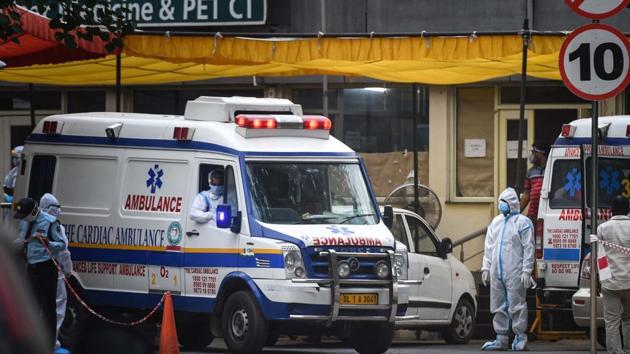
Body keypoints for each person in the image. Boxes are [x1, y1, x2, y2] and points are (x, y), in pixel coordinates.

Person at [481, 187, 535, 351]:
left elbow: (529, 247)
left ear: (511, 203)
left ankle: (520, 336)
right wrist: (486, 267)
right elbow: (489, 247)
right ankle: (501, 338)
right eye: (500, 202)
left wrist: (527, 270)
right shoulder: (495, 222)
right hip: (497, 271)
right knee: (497, 304)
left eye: (504, 202)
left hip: (515, 271)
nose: (501, 205)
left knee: (516, 304)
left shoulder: (522, 222)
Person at [13, 197, 67, 350]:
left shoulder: (50, 222)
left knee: (48, 307)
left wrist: (49, 243)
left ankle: (48, 345)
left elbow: (62, 245)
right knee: (30, 306)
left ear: (34, 211)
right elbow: (21, 238)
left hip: (46, 268)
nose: (23, 218)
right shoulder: (25, 221)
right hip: (31, 267)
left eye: (25, 215)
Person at [590, 195, 630, 354]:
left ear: (611, 210)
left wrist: (598, 279)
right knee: (628, 320)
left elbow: (598, 257)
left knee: (612, 322)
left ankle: (615, 352)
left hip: (610, 282)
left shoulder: (602, 229)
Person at [40, 193, 73, 354]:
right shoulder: (55, 226)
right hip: (54, 273)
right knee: (57, 308)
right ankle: (50, 344)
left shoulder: (34, 223)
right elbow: (62, 252)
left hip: (35, 273)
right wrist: (68, 271)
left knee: (39, 308)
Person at [520, 141, 549, 224]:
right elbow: (527, 194)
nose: (532, 155)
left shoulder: (551, 170)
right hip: (533, 214)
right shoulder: (530, 172)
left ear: (541, 153)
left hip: (546, 213)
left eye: (534, 152)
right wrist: (516, 212)